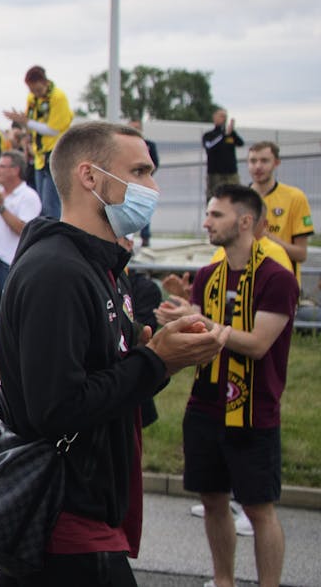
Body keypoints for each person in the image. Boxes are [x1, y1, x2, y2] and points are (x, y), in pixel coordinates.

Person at [0, 121, 228, 586]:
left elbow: (104, 382)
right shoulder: (57, 273)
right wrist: (155, 360)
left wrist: (153, 355)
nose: (153, 187)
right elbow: (57, 407)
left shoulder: (101, 267)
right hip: (64, 531)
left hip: (92, 519)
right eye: (140, 172)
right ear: (90, 177)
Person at [151, 185, 295, 587]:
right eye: (208, 214)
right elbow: (208, 334)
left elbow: (258, 344)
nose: (206, 222)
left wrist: (205, 323)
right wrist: (183, 319)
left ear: (245, 221)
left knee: (258, 508)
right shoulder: (208, 275)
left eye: (216, 215)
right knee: (212, 501)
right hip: (205, 405)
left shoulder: (276, 278)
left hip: (253, 409)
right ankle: (223, 581)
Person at [226, 142, 310, 278]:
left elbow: (301, 254)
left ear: (276, 163)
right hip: (245, 283)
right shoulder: (237, 199)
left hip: (282, 285)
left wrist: (265, 236)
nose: (258, 166)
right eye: (253, 161)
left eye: (264, 161)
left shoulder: (295, 197)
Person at [0, 151, 40, 324]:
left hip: (9, 265)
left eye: (2, 166)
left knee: (11, 319)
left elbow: (24, 229)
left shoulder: (28, 196)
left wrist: (1, 207)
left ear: (15, 170)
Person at [6, 66, 72, 216]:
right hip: (40, 156)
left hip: (56, 154)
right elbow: (31, 121)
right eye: (31, 90)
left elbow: (54, 129)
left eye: (37, 89)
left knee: (51, 206)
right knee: (41, 204)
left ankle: (54, 238)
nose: (35, 93)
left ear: (45, 82)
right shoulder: (32, 98)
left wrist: (27, 122)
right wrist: (25, 125)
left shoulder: (58, 97)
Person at [202, 108, 244, 202]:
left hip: (231, 173)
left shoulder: (230, 135)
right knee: (215, 198)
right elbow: (209, 146)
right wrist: (223, 135)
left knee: (235, 197)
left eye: (225, 116)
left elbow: (240, 143)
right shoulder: (209, 135)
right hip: (215, 174)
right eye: (221, 116)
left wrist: (232, 132)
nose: (224, 118)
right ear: (214, 117)